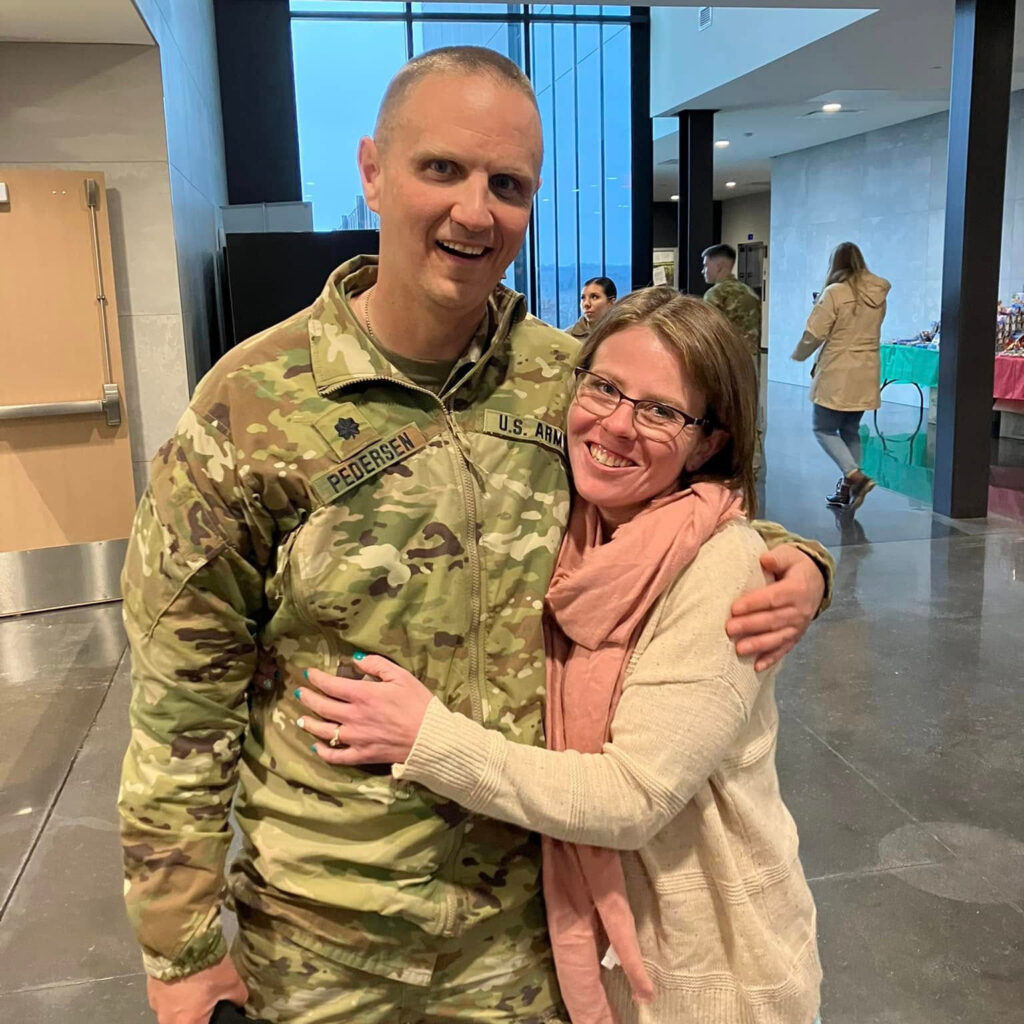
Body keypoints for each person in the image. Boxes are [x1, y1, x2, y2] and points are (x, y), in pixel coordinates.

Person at [119, 47, 833, 1024]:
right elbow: (180, 696)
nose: (474, 211)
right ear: (374, 171)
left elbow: (677, 493)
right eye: (441, 169)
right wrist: (181, 946)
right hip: (327, 944)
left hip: (528, 941)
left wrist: (798, 560)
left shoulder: (562, 379)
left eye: (508, 185)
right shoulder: (250, 403)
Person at [296, 288, 822, 1024]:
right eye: (604, 387)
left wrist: (426, 738)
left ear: (707, 444)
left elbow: (632, 797)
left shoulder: (723, 571)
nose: (617, 424)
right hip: (601, 956)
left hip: (708, 973)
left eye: (660, 411)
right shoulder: (582, 527)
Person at [792, 241, 890, 511]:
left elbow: (815, 332)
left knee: (822, 428)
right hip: (866, 369)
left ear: (835, 264)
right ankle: (847, 489)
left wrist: (799, 354)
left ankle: (855, 476)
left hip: (838, 369)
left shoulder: (835, 292)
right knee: (850, 430)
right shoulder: (879, 295)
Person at [702, 244, 763, 468]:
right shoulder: (750, 294)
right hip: (750, 364)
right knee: (748, 414)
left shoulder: (715, 295)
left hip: (725, 365)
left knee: (723, 415)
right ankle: (752, 463)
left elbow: (707, 336)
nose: (703, 270)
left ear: (719, 266)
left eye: (706, 265)